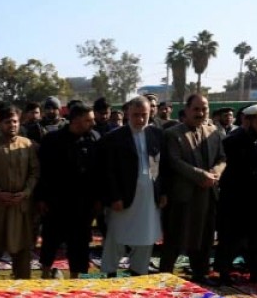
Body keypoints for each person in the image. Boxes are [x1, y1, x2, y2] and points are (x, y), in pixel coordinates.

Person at [159, 94, 226, 285]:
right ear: (187, 110)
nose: (200, 113)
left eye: (204, 109)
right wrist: (200, 175)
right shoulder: (173, 134)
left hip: (208, 192)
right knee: (175, 236)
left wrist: (215, 173)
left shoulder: (214, 132)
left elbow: (222, 158)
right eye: (196, 109)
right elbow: (174, 161)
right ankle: (164, 274)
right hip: (183, 195)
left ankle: (200, 274)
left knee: (205, 236)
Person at [215, 104, 257, 284]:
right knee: (233, 239)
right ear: (247, 120)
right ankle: (224, 273)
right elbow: (238, 172)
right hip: (238, 199)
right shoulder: (235, 141)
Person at [99, 96, 165, 277]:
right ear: (127, 114)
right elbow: (108, 171)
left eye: (144, 115)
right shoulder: (114, 138)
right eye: (136, 115)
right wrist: (114, 197)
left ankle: (139, 272)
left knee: (146, 236)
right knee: (116, 237)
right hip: (124, 198)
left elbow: (161, 166)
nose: (140, 119)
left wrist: (163, 192)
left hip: (149, 197)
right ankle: (109, 272)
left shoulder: (157, 135)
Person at [35, 102, 100, 279]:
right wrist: (40, 198)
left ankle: (74, 279)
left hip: (83, 204)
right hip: (56, 202)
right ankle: (46, 274)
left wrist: (97, 200)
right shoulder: (52, 140)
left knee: (79, 244)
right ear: (77, 121)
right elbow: (41, 171)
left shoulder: (94, 138)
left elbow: (99, 172)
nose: (92, 123)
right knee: (50, 240)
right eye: (89, 120)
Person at [0, 106, 39, 280]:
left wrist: (26, 192)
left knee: (22, 249)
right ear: (0, 124)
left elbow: (34, 172)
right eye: (8, 122)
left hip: (20, 207)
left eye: (15, 121)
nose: (12, 125)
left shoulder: (27, 144)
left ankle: (23, 288)